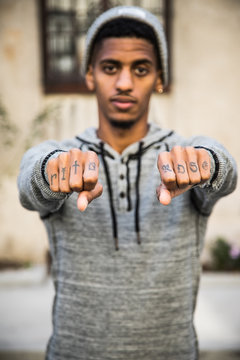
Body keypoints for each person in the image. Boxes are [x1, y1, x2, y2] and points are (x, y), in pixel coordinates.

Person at [18, 6, 237, 360]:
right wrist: (49, 173)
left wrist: (210, 162)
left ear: (160, 79)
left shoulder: (182, 159)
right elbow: (30, 182)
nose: (124, 83)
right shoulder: (65, 158)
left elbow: (224, 172)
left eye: (141, 69)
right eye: (110, 68)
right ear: (90, 75)